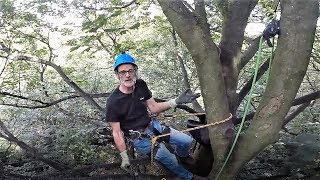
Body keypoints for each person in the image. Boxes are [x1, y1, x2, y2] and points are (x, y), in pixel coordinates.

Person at [105, 52, 208, 180]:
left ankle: (183, 156)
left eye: (131, 71)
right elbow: (116, 132)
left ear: (135, 72)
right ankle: (189, 177)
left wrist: (176, 101)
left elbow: (154, 107)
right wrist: (124, 156)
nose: (127, 75)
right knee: (168, 158)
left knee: (186, 140)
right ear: (117, 75)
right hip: (139, 138)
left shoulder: (140, 85)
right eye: (123, 72)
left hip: (153, 126)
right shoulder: (113, 102)